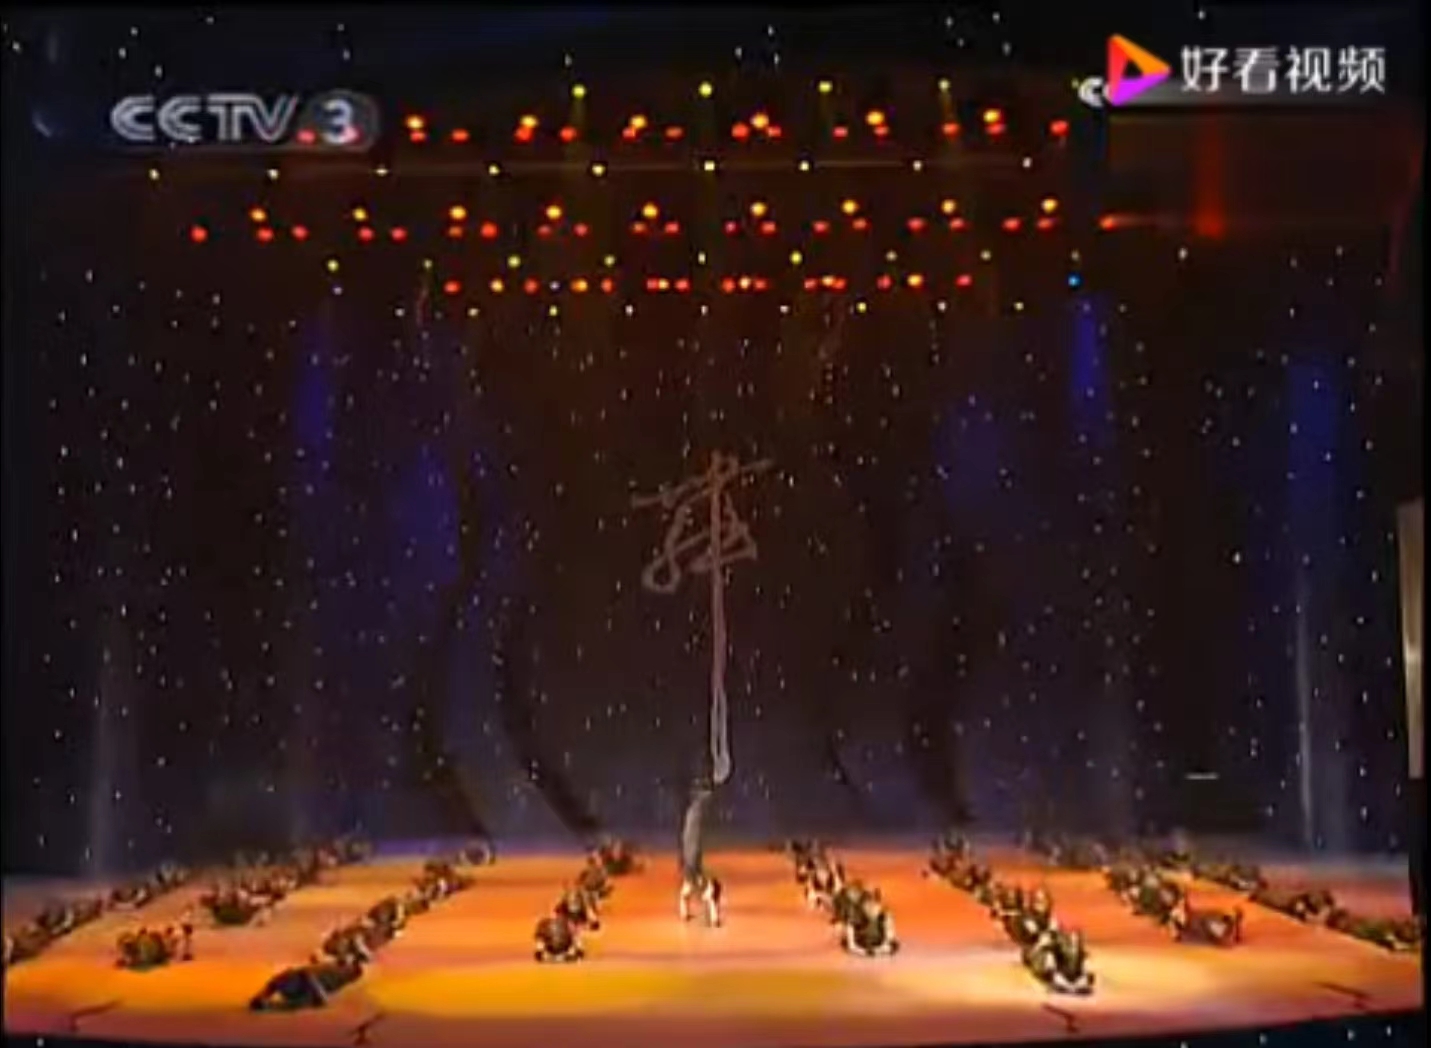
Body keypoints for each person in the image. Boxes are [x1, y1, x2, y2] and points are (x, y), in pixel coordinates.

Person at [250, 953, 363, 1010]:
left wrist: (320, 995)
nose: (350, 979)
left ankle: (267, 1004)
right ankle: (263, 999)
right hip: (295, 981)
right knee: (286, 979)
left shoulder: (340, 981)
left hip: (301, 989)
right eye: (350, 973)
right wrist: (319, 992)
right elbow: (307, 972)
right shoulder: (333, 969)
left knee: (304, 1001)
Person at [1025, 927, 1095, 995]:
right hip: (1061, 977)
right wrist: (1041, 945)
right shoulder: (1057, 948)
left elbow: (1089, 973)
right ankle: (1069, 987)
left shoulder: (1082, 953)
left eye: (1076, 939)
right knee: (1051, 964)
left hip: (1077, 978)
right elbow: (1037, 957)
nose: (1073, 941)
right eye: (1071, 938)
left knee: (1086, 970)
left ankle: (1072, 987)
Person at [1167, 897, 1242, 946]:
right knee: (1206, 921)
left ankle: (1228, 922)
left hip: (1198, 924)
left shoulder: (1191, 913)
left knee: (1208, 917)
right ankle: (1227, 924)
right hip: (1195, 927)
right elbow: (1175, 934)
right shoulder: (1175, 914)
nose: (1182, 903)